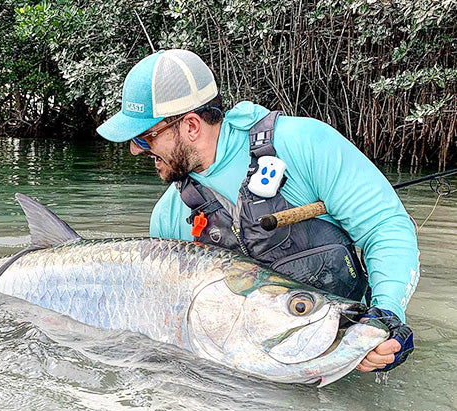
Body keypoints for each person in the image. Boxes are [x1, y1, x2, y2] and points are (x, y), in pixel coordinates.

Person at [97, 49, 419, 373]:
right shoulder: (167, 217)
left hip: (343, 351)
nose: (135, 149)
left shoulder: (305, 143)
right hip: (245, 377)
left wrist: (387, 315)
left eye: (144, 136)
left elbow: (386, 227)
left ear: (192, 126)